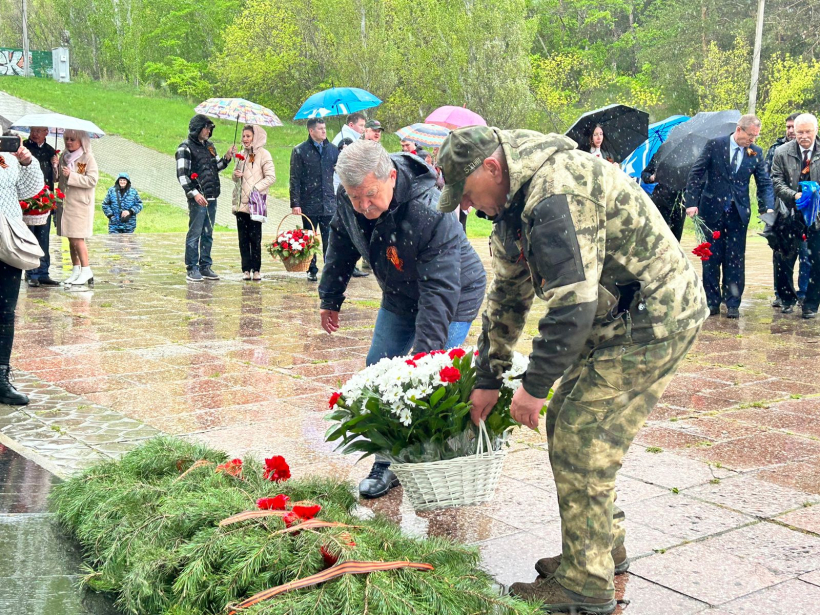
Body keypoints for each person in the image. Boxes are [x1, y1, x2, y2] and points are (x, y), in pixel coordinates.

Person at [436, 126, 707, 614]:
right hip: (618, 313)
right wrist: (487, 379)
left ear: (493, 169)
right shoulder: (512, 206)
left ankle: (585, 584)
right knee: (573, 424)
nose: (472, 208)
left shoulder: (557, 190)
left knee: (582, 431)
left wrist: (533, 388)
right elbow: (506, 298)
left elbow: (572, 308)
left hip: (656, 314)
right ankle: (601, 548)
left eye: (470, 194)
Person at [319, 139, 486, 499]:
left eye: (370, 195)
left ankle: (435, 458)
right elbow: (342, 241)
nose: (363, 206)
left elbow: (440, 293)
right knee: (378, 366)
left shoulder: (431, 210)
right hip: (399, 291)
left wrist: (421, 362)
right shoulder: (351, 200)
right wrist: (330, 296)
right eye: (354, 198)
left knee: (432, 377)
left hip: (455, 294)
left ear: (391, 176)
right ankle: (387, 457)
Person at [684, 114, 774, 318]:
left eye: (756, 136)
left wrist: (767, 207)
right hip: (711, 211)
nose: (752, 140)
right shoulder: (715, 145)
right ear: (739, 129)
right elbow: (696, 174)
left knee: (735, 259)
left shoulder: (755, 153)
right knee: (711, 257)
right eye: (750, 135)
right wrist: (691, 203)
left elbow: (765, 183)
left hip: (738, 213)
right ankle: (712, 302)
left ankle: (733, 302)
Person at [0, 134, 43, 404]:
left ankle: (1, 378)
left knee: (5, 311)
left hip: (8, 242)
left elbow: (29, 191)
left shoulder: (8, 158)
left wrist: (27, 162)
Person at [770, 113, 820, 318]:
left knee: (816, 260)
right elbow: (776, 181)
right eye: (800, 132)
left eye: (808, 132)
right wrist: (795, 195)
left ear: (815, 131)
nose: (804, 136)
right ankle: (786, 298)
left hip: (817, 215)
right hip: (788, 213)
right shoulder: (782, 152)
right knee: (784, 258)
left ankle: (810, 304)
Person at [175, 114, 236, 283]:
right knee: (195, 233)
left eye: (210, 128)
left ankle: (205, 266)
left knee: (208, 233)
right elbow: (182, 175)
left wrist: (227, 157)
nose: (209, 131)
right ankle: (192, 268)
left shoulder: (210, 147)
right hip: (197, 198)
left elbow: (216, 167)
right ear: (198, 129)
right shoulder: (184, 148)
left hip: (212, 196)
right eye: (206, 128)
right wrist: (195, 194)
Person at [289, 118, 340, 282]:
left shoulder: (332, 150)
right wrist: (295, 203)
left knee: (329, 239)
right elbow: (294, 178)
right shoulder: (300, 151)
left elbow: (342, 170)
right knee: (310, 237)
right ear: (311, 131)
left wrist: (344, 154)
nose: (324, 131)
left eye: (325, 128)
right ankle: (311, 268)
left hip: (328, 202)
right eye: (320, 129)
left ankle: (329, 268)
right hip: (309, 201)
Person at [56, 129, 99, 288]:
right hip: (66, 204)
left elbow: (92, 180)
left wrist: (71, 176)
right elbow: (58, 178)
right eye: (66, 139)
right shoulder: (64, 157)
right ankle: (75, 269)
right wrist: (56, 167)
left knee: (78, 238)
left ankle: (86, 269)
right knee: (70, 237)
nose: (69, 142)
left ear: (81, 140)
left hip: (80, 205)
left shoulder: (88, 158)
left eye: (72, 139)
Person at [232, 125, 276, 281]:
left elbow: (271, 177)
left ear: (255, 137)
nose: (245, 139)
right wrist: (236, 175)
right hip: (240, 204)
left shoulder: (264, 154)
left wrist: (255, 188)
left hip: (256, 202)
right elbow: (235, 178)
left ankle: (256, 269)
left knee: (255, 238)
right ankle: (246, 270)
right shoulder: (241, 154)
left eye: (248, 136)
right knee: (242, 238)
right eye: (243, 136)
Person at [22, 126, 59, 287]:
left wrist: (56, 165)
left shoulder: (50, 151)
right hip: (28, 200)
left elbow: (55, 178)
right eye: (33, 130)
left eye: (39, 131)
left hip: (45, 199)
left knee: (44, 237)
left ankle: (43, 272)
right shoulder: (23, 148)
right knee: (30, 237)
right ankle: (31, 273)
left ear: (46, 132)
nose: (35, 134)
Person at [641, 151, 684, 240]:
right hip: (660, 200)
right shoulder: (660, 154)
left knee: (675, 239)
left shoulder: (691, 159)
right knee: (658, 236)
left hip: (679, 203)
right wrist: (651, 177)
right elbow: (645, 174)